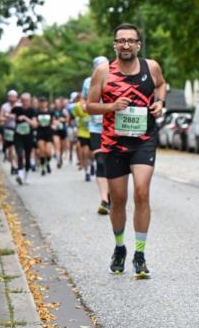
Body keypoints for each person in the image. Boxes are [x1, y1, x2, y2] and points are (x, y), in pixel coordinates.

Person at [86, 26, 167, 278]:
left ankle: (140, 254)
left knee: (142, 192)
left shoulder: (151, 67)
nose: (126, 45)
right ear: (114, 45)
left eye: (131, 41)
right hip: (114, 143)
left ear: (138, 45)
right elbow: (89, 106)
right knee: (118, 199)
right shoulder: (103, 72)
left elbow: (161, 85)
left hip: (144, 139)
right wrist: (112, 106)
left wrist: (160, 103)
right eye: (121, 41)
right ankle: (120, 247)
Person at [85, 57, 110, 212]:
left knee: (112, 163)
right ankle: (104, 200)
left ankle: (112, 194)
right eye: (98, 67)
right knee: (100, 161)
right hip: (95, 128)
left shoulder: (115, 79)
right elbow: (84, 100)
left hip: (112, 128)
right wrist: (84, 105)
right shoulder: (88, 82)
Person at [11, 92, 37, 184]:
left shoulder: (32, 111)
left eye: (27, 100)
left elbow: (34, 124)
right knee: (20, 154)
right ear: (20, 101)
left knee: (27, 155)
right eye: (23, 100)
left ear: (30, 101)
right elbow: (9, 115)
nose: (25, 102)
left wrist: (25, 118)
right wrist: (10, 116)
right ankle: (20, 174)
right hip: (18, 135)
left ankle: (26, 175)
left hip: (28, 137)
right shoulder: (16, 109)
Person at [71, 92, 93, 180]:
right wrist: (74, 129)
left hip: (93, 132)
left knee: (92, 154)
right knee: (85, 152)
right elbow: (73, 117)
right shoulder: (77, 106)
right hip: (82, 132)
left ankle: (92, 165)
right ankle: (87, 172)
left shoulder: (94, 103)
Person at [34, 98, 55, 175]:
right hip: (40, 133)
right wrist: (36, 123)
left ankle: (47, 163)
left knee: (48, 152)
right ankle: (43, 168)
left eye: (44, 102)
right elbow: (34, 122)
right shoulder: (37, 112)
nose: (43, 104)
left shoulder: (50, 112)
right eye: (41, 102)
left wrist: (54, 125)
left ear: (47, 103)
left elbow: (54, 121)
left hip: (48, 133)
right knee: (42, 151)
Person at [0, 90, 19, 172]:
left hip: (18, 129)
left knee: (17, 148)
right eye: (11, 97)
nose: (12, 98)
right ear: (8, 97)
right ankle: (13, 164)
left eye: (14, 97)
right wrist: (7, 117)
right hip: (9, 129)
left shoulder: (19, 106)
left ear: (16, 97)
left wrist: (14, 116)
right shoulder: (4, 107)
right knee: (11, 148)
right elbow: (0, 118)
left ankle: (16, 164)